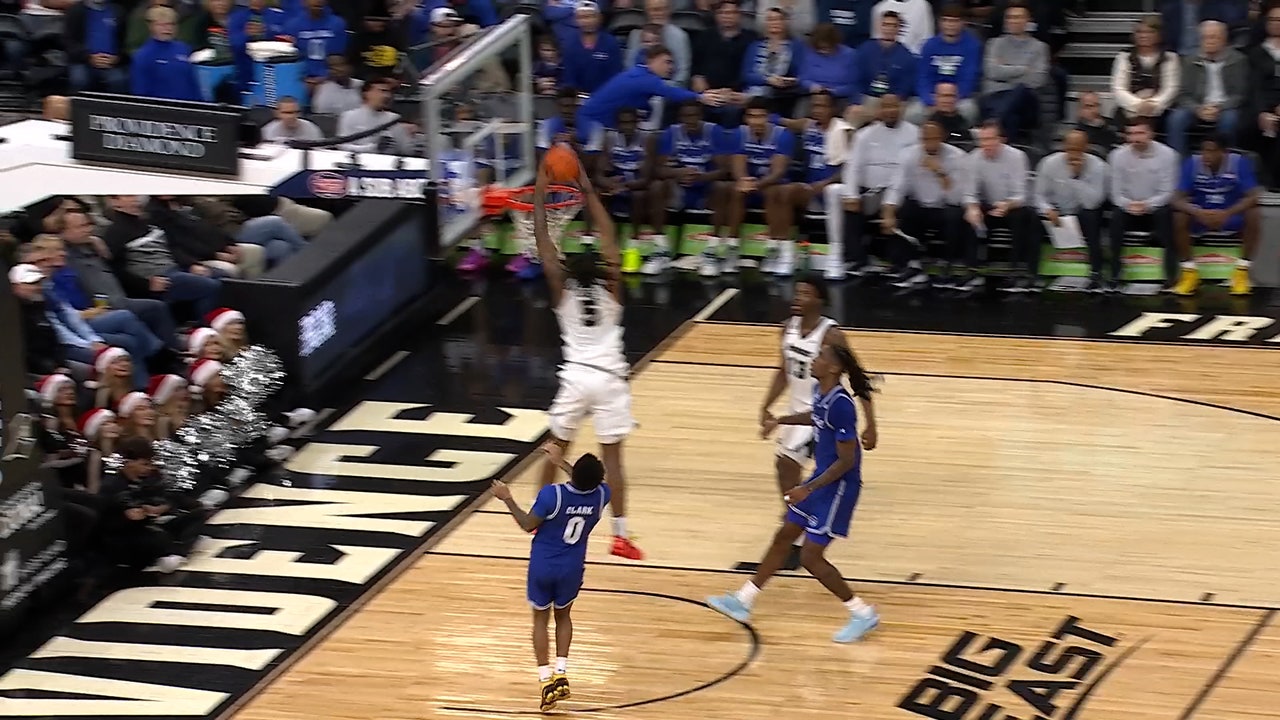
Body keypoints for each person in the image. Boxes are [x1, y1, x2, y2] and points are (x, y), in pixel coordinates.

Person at [708, 341, 880, 643]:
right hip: (820, 480)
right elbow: (816, 416)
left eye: (820, 356)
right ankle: (743, 600)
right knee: (784, 536)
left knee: (811, 557)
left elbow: (847, 461)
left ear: (834, 368)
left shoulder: (842, 405)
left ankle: (862, 613)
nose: (813, 359)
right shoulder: (821, 392)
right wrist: (780, 420)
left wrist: (807, 488)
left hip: (838, 488)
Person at [532, 155, 643, 561]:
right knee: (614, 460)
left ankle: (539, 517)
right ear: (600, 269)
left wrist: (541, 191)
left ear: (569, 271)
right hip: (611, 378)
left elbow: (545, 244)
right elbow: (609, 234)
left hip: (577, 377)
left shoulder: (561, 291)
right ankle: (620, 535)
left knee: (554, 449)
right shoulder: (613, 289)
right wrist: (586, 186)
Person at [491, 443, 610, 712]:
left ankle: (545, 680)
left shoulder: (552, 495)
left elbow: (527, 524)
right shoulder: (603, 495)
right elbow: (587, 483)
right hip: (572, 567)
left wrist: (507, 498)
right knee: (563, 617)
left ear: (574, 474)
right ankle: (561, 671)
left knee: (540, 621)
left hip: (544, 565)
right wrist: (561, 463)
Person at [756, 274, 850, 570]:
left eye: (805, 293)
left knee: (788, 465)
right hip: (796, 412)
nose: (798, 298)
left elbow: (854, 371)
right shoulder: (787, 329)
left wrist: (869, 421)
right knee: (785, 470)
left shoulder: (831, 335)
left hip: (821, 413)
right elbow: (783, 371)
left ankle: (798, 530)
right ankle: (798, 523)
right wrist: (766, 405)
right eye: (797, 293)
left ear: (819, 300)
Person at [881, 119, 969, 289]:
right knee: (904, 209)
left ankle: (947, 264)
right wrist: (888, 214)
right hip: (920, 206)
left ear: (942, 137)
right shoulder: (908, 155)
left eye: (933, 139)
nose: (929, 143)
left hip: (945, 207)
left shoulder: (957, 157)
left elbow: (957, 196)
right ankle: (912, 265)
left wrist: (939, 172)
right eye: (925, 139)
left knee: (955, 214)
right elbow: (897, 187)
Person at [1171, 135, 1260, 296]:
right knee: (1179, 216)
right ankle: (1189, 272)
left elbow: (1253, 196)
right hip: (1201, 215)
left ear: (1224, 153)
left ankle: (1241, 271)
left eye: (1211, 151)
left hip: (1230, 215)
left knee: (1254, 212)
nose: (1206, 155)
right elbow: (1176, 198)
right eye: (1203, 151)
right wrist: (1197, 212)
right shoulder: (1192, 163)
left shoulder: (1239, 163)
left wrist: (1227, 213)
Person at [649, 102, 732, 275]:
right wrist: (677, 173)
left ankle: (712, 250)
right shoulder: (671, 133)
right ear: (680, 118)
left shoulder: (714, 131)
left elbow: (725, 170)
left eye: (694, 115)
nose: (690, 120)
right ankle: (660, 249)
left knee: (723, 186)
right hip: (678, 188)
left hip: (707, 187)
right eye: (686, 116)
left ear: (701, 116)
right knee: (657, 186)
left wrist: (701, 177)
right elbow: (658, 169)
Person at [780, 91, 853, 280]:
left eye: (822, 106)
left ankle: (836, 256)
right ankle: (787, 255)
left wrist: (825, 183)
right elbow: (784, 122)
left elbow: (850, 168)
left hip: (836, 189)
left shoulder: (845, 131)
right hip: (811, 190)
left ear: (833, 109)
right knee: (786, 192)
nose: (817, 110)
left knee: (832, 191)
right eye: (814, 106)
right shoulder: (808, 125)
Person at [724, 98, 797, 277]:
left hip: (773, 184)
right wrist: (743, 181)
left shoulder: (783, 135)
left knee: (773, 192)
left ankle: (774, 250)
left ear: (769, 117)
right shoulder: (739, 133)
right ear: (746, 118)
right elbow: (738, 164)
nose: (756, 121)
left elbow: (778, 172)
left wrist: (755, 184)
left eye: (761, 116)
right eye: (752, 116)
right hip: (751, 183)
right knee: (735, 190)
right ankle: (731, 248)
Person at [962, 120, 1036, 292]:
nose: (985, 144)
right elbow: (969, 192)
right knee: (967, 216)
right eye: (982, 140)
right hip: (988, 205)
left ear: (1001, 139)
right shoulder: (973, 158)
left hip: (1012, 205)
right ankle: (972, 270)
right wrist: (972, 207)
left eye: (990, 139)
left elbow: (1022, 194)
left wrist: (1007, 205)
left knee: (1023, 217)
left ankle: (1016, 270)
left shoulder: (1017, 157)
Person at [1108, 116, 1179, 290]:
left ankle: (1170, 274)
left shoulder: (1168, 155)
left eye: (1140, 133)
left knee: (1166, 215)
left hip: (1156, 207)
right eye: (1131, 134)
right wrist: (1129, 205)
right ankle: (1115, 273)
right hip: (1128, 207)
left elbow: (1168, 192)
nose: (1135, 138)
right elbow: (1115, 193)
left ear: (1151, 134)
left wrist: (1147, 205)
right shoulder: (1117, 156)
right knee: (1116, 217)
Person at [1035, 129, 1110, 291]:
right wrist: (1048, 209)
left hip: (1082, 211)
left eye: (1077, 150)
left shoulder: (1098, 166)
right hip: (1056, 212)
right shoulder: (1049, 163)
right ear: (1064, 147)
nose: (1073, 154)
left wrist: (1076, 177)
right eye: (1069, 149)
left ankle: (1096, 272)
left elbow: (1093, 203)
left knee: (1092, 216)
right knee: (1031, 217)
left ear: (1086, 148)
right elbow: (1038, 195)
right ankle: (1033, 273)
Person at [1167, 20, 1247, 155]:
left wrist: (1219, 107)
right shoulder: (1190, 60)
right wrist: (1197, 109)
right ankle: (1179, 162)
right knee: (1176, 119)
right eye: (1205, 38)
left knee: (1229, 121)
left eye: (1214, 37)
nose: (1209, 41)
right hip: (1197, 105)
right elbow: (1183, 93)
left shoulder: (1238, 60)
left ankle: (1223, 160)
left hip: (1226, 107)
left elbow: (1239, 94)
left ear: (1224, 39)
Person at [910, 3, 982, 126]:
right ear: (940, 23)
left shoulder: (973, 46)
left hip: (959, 98)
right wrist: (932, 101)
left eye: (955, 21)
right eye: (946, 20)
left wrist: (949, 100)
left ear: (963, 23)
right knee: (911, 114)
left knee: (969, 111)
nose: (950, 25)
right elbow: (923, 77)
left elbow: (969, 79)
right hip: (932, 97)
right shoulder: (929, 45)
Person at [1110, 15, 1179, 126]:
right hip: (1131, 108)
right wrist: (1138, 104)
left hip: (1162, 109)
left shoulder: (1170, 57)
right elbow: (1118, 89)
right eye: (1139, 32)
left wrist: (1154, 104)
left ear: (1159, 35)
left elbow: (1171, 89)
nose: (1143, 35)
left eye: (1149, 32)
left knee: (1174, 119)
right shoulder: (1124, 56)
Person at [130, 6, 201, 101]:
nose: (168, 28)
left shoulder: (184, 48)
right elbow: (140, 90)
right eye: (162, 25)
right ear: (151, 26)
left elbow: (193, 82)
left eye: (171, 24)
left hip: (189, 105)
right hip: (162, 107)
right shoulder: (143, 56)